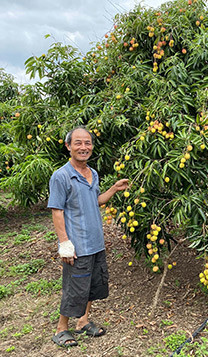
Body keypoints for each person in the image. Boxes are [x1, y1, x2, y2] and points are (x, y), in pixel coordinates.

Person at [48, 127, 129, 347]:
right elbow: (57, 211)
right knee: (75, 288)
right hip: (77, 244)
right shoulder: (62, 176)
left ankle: (82, 321)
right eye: (78, 143)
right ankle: (61, 329)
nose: (84, 147)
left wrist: (114, 188)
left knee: (92, 285)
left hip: (95, 242)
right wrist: (65, 243)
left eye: (88, 143)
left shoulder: (92, 173)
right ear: (68, 146)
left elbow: (96, 201)